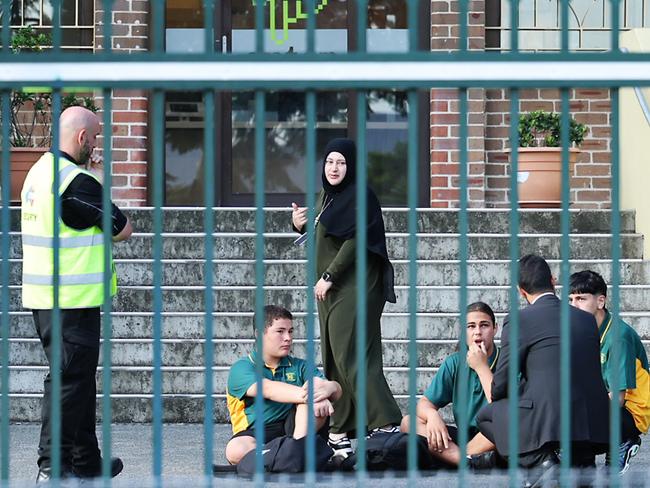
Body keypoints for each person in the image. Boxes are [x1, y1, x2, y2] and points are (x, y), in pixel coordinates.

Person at [21, 106, 132, 482]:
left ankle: (85, 461)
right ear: (82, 138)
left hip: (46, 297)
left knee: (77, 378)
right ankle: (52, 465)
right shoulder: (77, 181)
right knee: (69, 380)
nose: (97, 145)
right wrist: (97, 178)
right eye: (96, 138)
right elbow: (122, 228)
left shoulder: (38, 173)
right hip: (73, 300)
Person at [291, 138, 402, 460]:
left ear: (351, 165)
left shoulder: (361, 195)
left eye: (340, 162)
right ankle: (340, 430)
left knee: (352, 355)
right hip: (332, 290)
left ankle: (386, 422)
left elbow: (356, 240)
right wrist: (297, 223)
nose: (334, 168)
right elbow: (319, 226)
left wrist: (329, 276)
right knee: (334, 358)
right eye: (329, 162)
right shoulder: (327, 196)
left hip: (354, 286)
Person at [476, 255, 609, 486]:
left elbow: (501, 386)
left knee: (487, 416)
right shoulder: (586, 319)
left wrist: (482, 368)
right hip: (592, 425)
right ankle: (578, 463)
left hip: (548, 423)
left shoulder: (519, 319)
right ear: (553, 280)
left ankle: (542, 462)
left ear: (521, 291)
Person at [225, 305, 342, 465]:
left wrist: (331, 387)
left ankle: (291, 453)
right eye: (280, 331)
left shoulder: (300, 366)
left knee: (315, 398)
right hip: (258, 431)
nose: (288, 338)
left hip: (298, 427)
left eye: (291, 331)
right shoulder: (242, 368)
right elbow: (268, 389)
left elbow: (330, 388)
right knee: (235, 449)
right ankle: (294, 457)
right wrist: (315, 394)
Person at [400, 302, 502, 467]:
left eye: (484, 325)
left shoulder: (507, 361)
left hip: (493, 437)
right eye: (471, 326)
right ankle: (467, 461)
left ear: (495, 329)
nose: (477, 332)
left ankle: (458, 459)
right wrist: (432, 416)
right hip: (463, 438)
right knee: (408, 422)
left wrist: (481, 367)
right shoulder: (455, 362)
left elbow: (502, 410)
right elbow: (424, 404)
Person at [569, 270, 650, 473]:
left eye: (581, 299)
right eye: (570, 299)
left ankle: (624, 441)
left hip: (631, 412)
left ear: (600, 301)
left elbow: (619, 399)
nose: (573, 306)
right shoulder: (583, 330)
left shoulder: (618, 337)